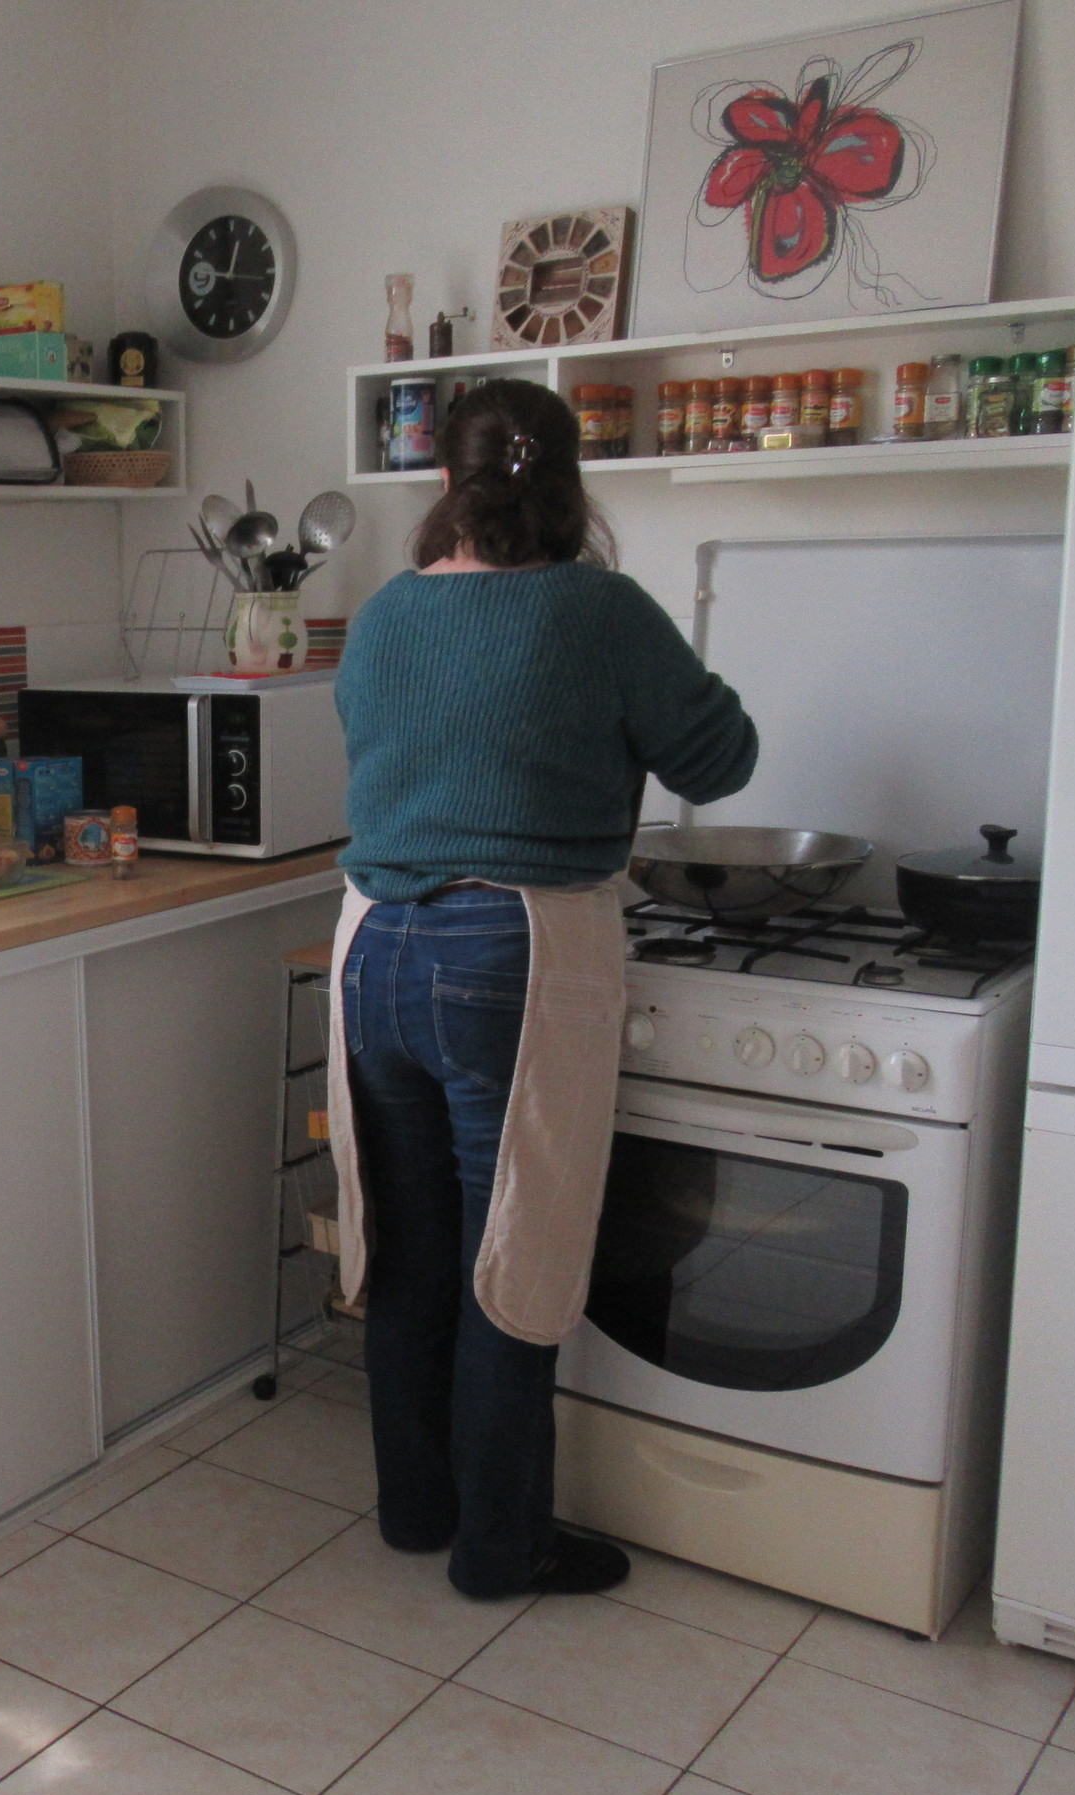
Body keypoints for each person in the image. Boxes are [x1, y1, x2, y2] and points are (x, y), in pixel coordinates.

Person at [331, 377, 757, 1600]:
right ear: (571, 484)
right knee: (509, 1258)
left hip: (374, 946)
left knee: (410, 1255)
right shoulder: (599, 609)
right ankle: (500, 1547)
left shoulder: (386, 614)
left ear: (444, 482)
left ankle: (418, 1509)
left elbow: (400, 753)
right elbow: (722, 762)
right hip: (509, 952)